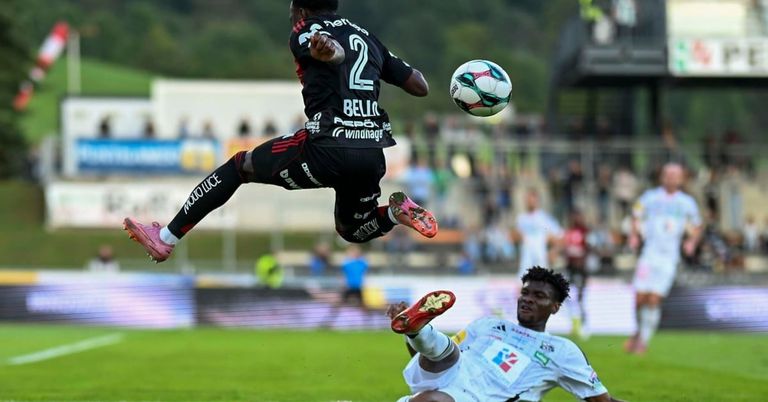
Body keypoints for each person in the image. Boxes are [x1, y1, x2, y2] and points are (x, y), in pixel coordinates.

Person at [123, 0, 436, 262]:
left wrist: (332, 54)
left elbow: (329, 52)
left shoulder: (306, 30)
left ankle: (166, 238)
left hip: (327, 147)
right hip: (371, 153)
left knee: (239, 166)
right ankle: (396, 214)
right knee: (352, 230)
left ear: (299, 10)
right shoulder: (368, 38)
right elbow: (418, 85)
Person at [388, 267, 624, 402]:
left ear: (555, 307)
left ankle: (419, 328)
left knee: (432, 399)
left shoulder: (561, 350)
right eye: (525, 292)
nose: (528, 299)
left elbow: (600, 399)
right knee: (448, 353)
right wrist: (413, 338)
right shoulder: (489, 325)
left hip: (481, 396)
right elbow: (427, 362)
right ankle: (416, 328)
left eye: (539, 296)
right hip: (452, 373)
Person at [626, 163, 701, 355]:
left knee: (654, 299)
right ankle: (638, 331)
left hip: (669, 258)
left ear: (681, 178)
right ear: (662, 177)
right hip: (649, 255)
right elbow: (636, 214)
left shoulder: (687, 202)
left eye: (675, 175)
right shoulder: (650, 197)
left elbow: (697, 225)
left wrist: (691, 242)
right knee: (639, 298)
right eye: (668, 174)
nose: (671, 178)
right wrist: (634, 234)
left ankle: (643, 340)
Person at [513, 189, 563, 278]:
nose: (530, 201)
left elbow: (560, 236)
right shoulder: (521, 219)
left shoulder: (544, 218)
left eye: (532, 199)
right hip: (526, 262)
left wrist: (554, 251)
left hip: (540, 261)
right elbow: (514, 238)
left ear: (537, 200)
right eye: (528, 199)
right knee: (522, 287)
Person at [563, 210, 590, 339]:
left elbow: (588, 248)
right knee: (568, 296)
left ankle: (584, 324)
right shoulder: (568, 232)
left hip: (581, 269)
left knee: (581, 297)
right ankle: (574, 323)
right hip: (570, 268)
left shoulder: (585, 232)